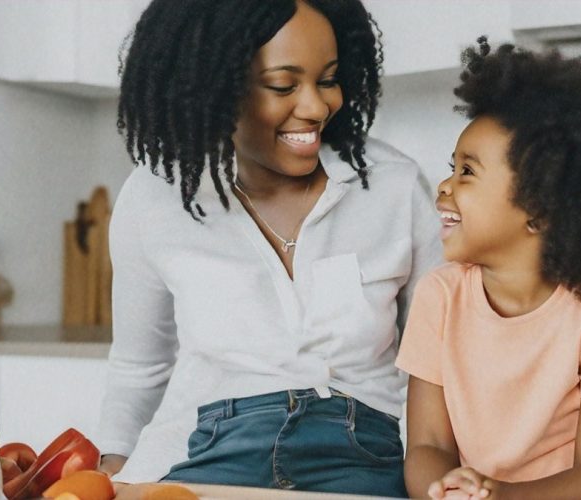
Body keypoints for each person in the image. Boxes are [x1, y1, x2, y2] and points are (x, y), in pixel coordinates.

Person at [97, 0, 440, 497]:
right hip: (203, 452)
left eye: (327, 80)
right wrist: (111, 476)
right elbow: (138, 367)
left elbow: (441, 360)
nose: (317, 107)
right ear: (216, 87)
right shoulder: (156, 196)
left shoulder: (393, 187)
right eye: (283, 85)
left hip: (360, 450)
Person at [396, 38, 581, 500]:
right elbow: (427, 445)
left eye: (467, 173)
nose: (445, 186)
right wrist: (445, 489)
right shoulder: (440, 294)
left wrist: (498, 495)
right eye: (452, 168)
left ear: (539, 209)